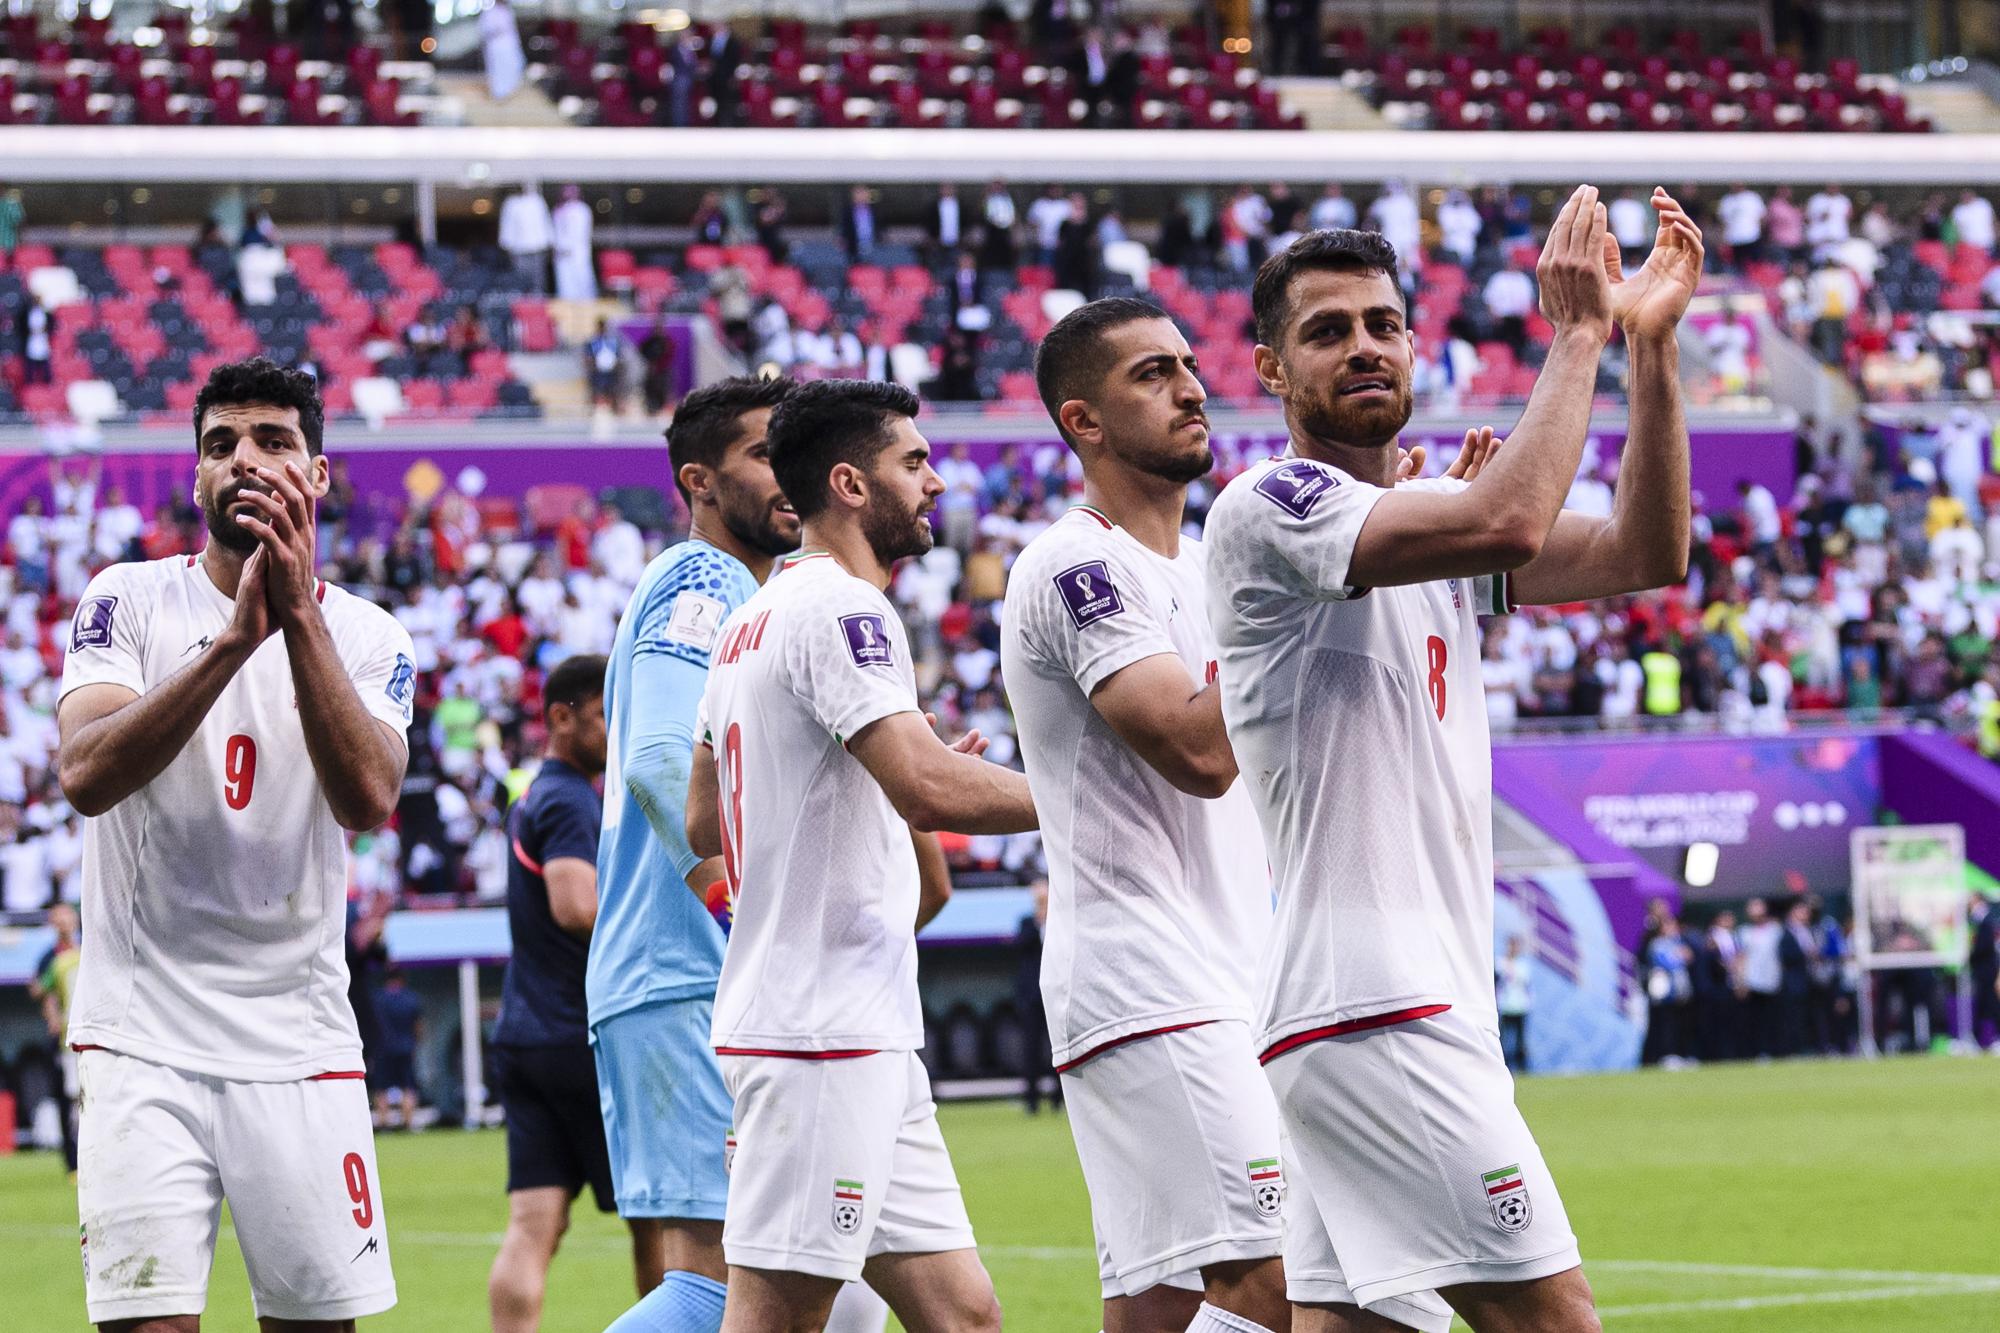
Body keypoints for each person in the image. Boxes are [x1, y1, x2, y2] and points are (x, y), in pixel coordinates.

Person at [1204, 188, 1701, 1332]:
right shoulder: (1270, 503)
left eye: (1381, 324)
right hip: (1373, 1005)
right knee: (1554, 1319)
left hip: (1385, 1004)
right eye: (1325, 332)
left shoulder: (1429, 513)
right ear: (1273, 374)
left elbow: (1645, 547)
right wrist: (1577, 330)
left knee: (1350, 1324)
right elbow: (1508, 526)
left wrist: (1647, 347)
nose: (1363, 347)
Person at [56, 357, 414, 1328]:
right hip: (142, 1034)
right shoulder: (127, 599)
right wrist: (230, 643)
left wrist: (293, 616)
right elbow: (85, 774)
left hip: (298, 1039)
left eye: (272, 441)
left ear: (319, 473)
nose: (243, 461)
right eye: (220, 445)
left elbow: (370, 796)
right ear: (196, 473)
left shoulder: (370, 634)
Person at [687, 379, 1037, 1330]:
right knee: (774, 1318)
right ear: (849, 482)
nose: (934, 480)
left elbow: (699, 823)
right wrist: (1091, 795)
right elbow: (927, 785)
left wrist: (883, 771)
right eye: (912, 462)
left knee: (965, 1315)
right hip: (818, 1030)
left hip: (857, 1025)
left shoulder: (747, 621)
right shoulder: (846, 609)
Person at [1003, 297, 1287, 1333]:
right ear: (1081, 421)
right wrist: (1292, 605)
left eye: (1186, 365)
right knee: (1275, 1282)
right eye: (1151, 374)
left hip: (1221, 961)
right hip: (1147, 974)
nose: (1190, 386)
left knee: (1156, 1306)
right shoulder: (1077, 566)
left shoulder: (1204, 567)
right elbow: (1198, 750)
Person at [588, 377, 895, 1333]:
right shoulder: (703, 580)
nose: (784, 474)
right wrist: (732, 905)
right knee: (735, 1289)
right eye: (762, 454)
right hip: (687, 968)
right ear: (700, 481)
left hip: (677, 971)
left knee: (825, 1293)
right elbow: (655, 761)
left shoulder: (755, 597)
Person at [487, 653, 653, 1331]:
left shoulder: (536, 792)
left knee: (533, 1225)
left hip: (526, 1034)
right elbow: (576, 905)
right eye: (602, 714)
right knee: (660, 1219)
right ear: (561, 717)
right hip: (581, 1037)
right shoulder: (570, 797)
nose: (616, 728)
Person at [29, 901, 81, 1174]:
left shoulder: (86, 950)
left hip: (89, 1034)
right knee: (68, 1100)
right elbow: (39, 989)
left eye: (67, 918)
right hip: (64, 1040)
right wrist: (52, 1013)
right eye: (58, 919)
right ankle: (72, 1160)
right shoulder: (52, 959)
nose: (63, 924)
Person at [1013, 881, 1058, 1113]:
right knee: (1030, 1049)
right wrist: (1040, 922)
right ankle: (1031, 1101)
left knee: (1057, 1048)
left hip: (1054, 995)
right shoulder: (1026, 923)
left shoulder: (1059, 923)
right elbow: (1021, 946)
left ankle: (1058, 1100)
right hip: (1031, 996)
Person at [371, 968, 423, 1129]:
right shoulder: (411, 998)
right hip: (406, 1048)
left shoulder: (377, 999)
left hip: (383, 1048)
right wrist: (416, 1044)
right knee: (408, 1086)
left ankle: (383, 1123)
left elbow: (371, 1025)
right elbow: (418, 1027)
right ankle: (407, 1123)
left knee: (381, 1088)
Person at [500, 186, 555, 295]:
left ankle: (538, 297)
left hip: (537, 246)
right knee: (521, 275)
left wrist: (549, 241)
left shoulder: (537, 201)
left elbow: (545, 220)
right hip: (519, 247)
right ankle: (523, 296)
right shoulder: (511, 203)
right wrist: (507, 244)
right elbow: (508, 224)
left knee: (538, 276)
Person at [553, 184, 598, 303]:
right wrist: (560, 247)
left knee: (582, 280)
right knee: (565, 282)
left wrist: (569, 246)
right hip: (562, 253)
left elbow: (581, 232)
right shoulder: (559, 209)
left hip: (577, 251)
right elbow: (556, 232)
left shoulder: (582, 209)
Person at [1496, 936, 1532, 1073]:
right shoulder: (1499, 963)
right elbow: (1498, 981)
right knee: (1502, 1040)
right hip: (1505, 1007)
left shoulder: (1523, 965)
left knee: (1520, 1041)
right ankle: (1502, 1069)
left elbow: (1525, 984)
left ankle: (1523, 1071)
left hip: (1520, 1007)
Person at [480, 0, 525, 101]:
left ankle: (508, 91)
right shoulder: (489, 12)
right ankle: (498, 93)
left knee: (512, 66)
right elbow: (485, 29)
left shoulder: (507, 11)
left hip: (509, 46)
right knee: (498, 70)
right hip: (496, 46)